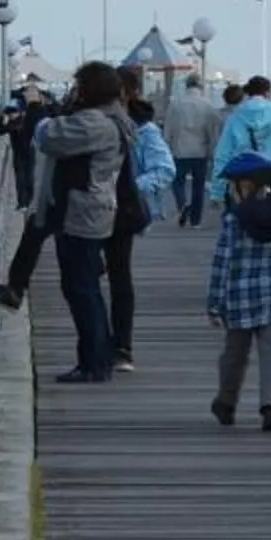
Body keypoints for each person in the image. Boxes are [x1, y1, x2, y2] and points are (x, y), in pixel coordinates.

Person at [32, 62, 129, 383]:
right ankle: (96, 358)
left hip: (83, 212)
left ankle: (94, 362)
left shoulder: (94, 124)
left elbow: (48, 136)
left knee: (82, 289)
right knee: (85, 287)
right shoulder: (118, 119)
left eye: (78, 87)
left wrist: (43, 117)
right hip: (97, 208)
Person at [206, 157, 271, 430]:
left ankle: (226, 401)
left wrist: (214, 303)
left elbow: (222, 263)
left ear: (244, 187)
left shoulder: (234, 221)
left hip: (238, 298)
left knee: (234, 354)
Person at [117, 95, 175, 370]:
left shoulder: (146, 134)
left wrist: (130, 190)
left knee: (119, 275)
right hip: (104, 211)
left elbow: (165, 170)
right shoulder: (122, 130)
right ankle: (113, 345)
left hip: (124, 212)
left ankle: (120, 347)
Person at [0, 87, 58, 310]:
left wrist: (34, 108)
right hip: (72, 197)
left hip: (71, 197)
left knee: (35, 235)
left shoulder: (63, 120)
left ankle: (16, 288)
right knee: (35, 234)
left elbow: (41, 133)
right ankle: (15, 288)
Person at [164, 76, 220, 226]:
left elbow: (167, 129)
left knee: (177, 182)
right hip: (200, 150)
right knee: (198, 187)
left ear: (186, 86)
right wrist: (211, 150)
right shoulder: (207, 105)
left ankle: (183, 205)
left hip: (179, 149)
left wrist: (167, 146)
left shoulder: (175, 104)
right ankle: (196, 221)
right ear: (201, 86)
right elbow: (212, 131)